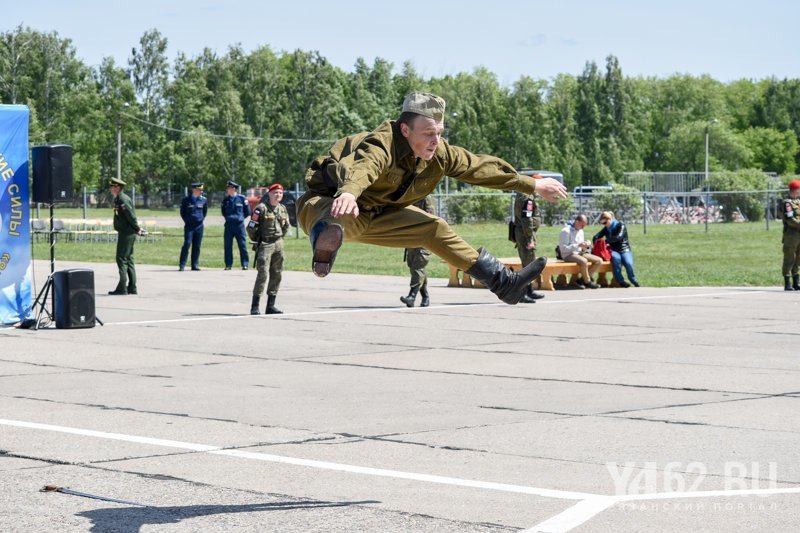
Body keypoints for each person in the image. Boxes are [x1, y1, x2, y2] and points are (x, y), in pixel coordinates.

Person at [296, 91, 568, 305]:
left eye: (439, 133)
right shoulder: (383, 142)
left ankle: (504, 283)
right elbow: (365, 165)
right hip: (331, 204)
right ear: (405, 130)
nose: (435, 140)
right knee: (336, 214)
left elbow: (479, 167)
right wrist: (349, 192)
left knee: (433, 228)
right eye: (427, 133)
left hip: (381, 216)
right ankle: (324, 242)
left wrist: (532, 185)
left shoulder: (440, 154)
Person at [247, 183, 290, 314]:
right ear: (270, 194)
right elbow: (251, 227)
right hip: (265, 245)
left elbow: (286, 226)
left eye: (280, 193)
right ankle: (255, 306)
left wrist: (279, 238)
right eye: (275, 193)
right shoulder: (261, 208)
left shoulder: (282, 208)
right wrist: (258, 240)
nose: (278, 195)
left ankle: (270, 305)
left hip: (278, 243)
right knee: (263, 274)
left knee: (277, 274)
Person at [108, 177, 145, 295]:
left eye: (112, 187)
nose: (110, 189)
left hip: (126, 233)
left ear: (117, 187)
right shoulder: (119, 199)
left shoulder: (122, 199)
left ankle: (122, 288)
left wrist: (137, 228)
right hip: (127, 232)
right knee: (128, 259)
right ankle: (132, 287)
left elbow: (130, 216)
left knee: (121, 259)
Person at [400, 196, 434, 308]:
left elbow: (431, 218)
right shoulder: (409, 198)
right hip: (411, 239)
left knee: (417, 268)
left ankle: (412, 296)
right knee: (415, 268)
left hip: (424, 240)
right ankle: (425, 296)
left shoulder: (426, 199)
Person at [513, 189, 546, 303]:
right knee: (528, 265)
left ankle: (529, 290)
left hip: (524, 234)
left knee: (529, 263)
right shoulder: (528, 199)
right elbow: (527, 219)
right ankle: (522, 294)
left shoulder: (523, 195)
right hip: (526, 235)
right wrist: (530, 238)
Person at [592, 211, 640, 288]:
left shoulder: (621, 225)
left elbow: (618, 237)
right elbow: (596, 236)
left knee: (628, 263)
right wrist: (596, 244)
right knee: (616, 260)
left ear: (610, 219)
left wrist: (605, 241)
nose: (604, 225)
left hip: (624, 249)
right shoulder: (606, 228)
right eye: (602, 223)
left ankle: (633, 279)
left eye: (605, 223)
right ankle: (621, 281)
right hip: (613, 250)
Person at [559, 214, 602, 289]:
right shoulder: (566, 231)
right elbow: (563, 248)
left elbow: (582, 247)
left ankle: (582, 280)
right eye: (582, 225)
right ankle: (587, 282)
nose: (583, 227)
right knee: (584, 261)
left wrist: (586, 245)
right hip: (568, 254)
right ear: (577, 221)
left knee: (599, 260)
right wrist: (578, 245)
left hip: (580, 253)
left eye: (584, 225)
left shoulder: (580, 231)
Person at [221, 180, 251, 270]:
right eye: (227, 188)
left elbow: (247, 212)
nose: (227, 190)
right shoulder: (225, 200)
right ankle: (228, 264)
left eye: (229, 188)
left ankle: (245, 264)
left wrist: (239, 218)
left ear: (233, 189)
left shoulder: (242, 199)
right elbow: (223, 212)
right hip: (229, 225)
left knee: (242, 245)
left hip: (239, 225)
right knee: (227, 245)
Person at [179, 182, 207, 271]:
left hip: (199, 226)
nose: (201, 192)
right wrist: (188, 220)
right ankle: (182, 265)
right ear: (194, 190)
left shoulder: (203, 200)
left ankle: (194, 265)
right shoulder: (186, 200)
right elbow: (182, 213)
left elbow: (204, 212)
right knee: (187, 244)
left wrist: (200, 219)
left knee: (197, 246)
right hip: (189, 227)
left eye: (202, 190)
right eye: (200, 190)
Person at [782, 179, 800, 291]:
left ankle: (796, 282)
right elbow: (790, 219)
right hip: (791, 235)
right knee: (789, 258)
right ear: (795, 190)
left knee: (798, 258)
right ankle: (787, 283)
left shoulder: (798, 202)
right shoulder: (787, 203)